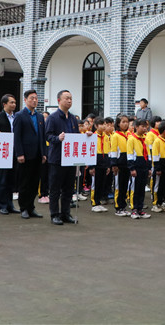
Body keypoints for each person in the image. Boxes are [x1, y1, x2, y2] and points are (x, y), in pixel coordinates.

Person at [45, 89, 86, 226]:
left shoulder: (73, 118)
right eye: (66, 98)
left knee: (69, 188)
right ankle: (54, 214)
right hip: (57, 158)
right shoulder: (53, 117)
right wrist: (58, 138)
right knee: (55, 188)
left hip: (70, 158)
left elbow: (76, 137)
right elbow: (48, 136)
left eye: (71, 98)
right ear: (59, 101)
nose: (69, 100)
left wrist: (87, 136)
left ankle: (66, 213)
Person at [12, 89, 46, 220]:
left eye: (36, 98)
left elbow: (42, 137)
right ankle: (23, 208)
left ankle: (31, 207)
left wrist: (44, 153)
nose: (34, 100)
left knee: (34, 183)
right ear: (25, 100)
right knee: (24, 183)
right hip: (25, 155)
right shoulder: (20, 115)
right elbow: (17, 136)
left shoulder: (39, 116)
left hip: (37, 154)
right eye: (31, 98)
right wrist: (19, 153)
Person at [0, 94, 19, 214]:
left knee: (12, 179)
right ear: (4, 104)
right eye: (11, 102)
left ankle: (10, 204)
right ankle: (2, 205)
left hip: (15, 150)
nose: (13, 104)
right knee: (2, 179)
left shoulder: (17, 117)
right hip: (3, 151)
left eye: (14, 102)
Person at [127, 118, 151, 219]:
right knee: (135, 189)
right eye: (142, 126)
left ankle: (140, 208)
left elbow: (149, 154)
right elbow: (130, 154)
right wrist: (132, 168)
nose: (145, 128)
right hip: (136, 167)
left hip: (144, 167)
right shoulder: (132, 139)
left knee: (141, 189)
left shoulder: (146, 139)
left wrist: (149, 167)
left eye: (146, 126)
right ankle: (134, 209)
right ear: (136, 127)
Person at [110, 114, 131, 217]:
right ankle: (118, 207)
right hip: (119, 163)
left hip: (127, 163)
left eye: (127, 122)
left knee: (125, 186)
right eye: (123, 122)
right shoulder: (115, 135)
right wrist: (114, 164)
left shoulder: (129, 135)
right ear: (118, 123)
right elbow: (113, 150)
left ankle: (123, 206)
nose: (125, 124)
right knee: (119, 186)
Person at [89, 118, 109, 212]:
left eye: (105, 124)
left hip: (104, 163)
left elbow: (108, 151)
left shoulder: (106, 137)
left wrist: (108, 165)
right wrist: (91, 166)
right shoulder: (92, 136)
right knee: (95, 183)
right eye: (101, 124)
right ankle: (94, 203)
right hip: (96, 162)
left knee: (102, 183)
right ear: (96, 126)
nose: (104, 126)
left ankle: (99, 202)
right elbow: (90, 152)